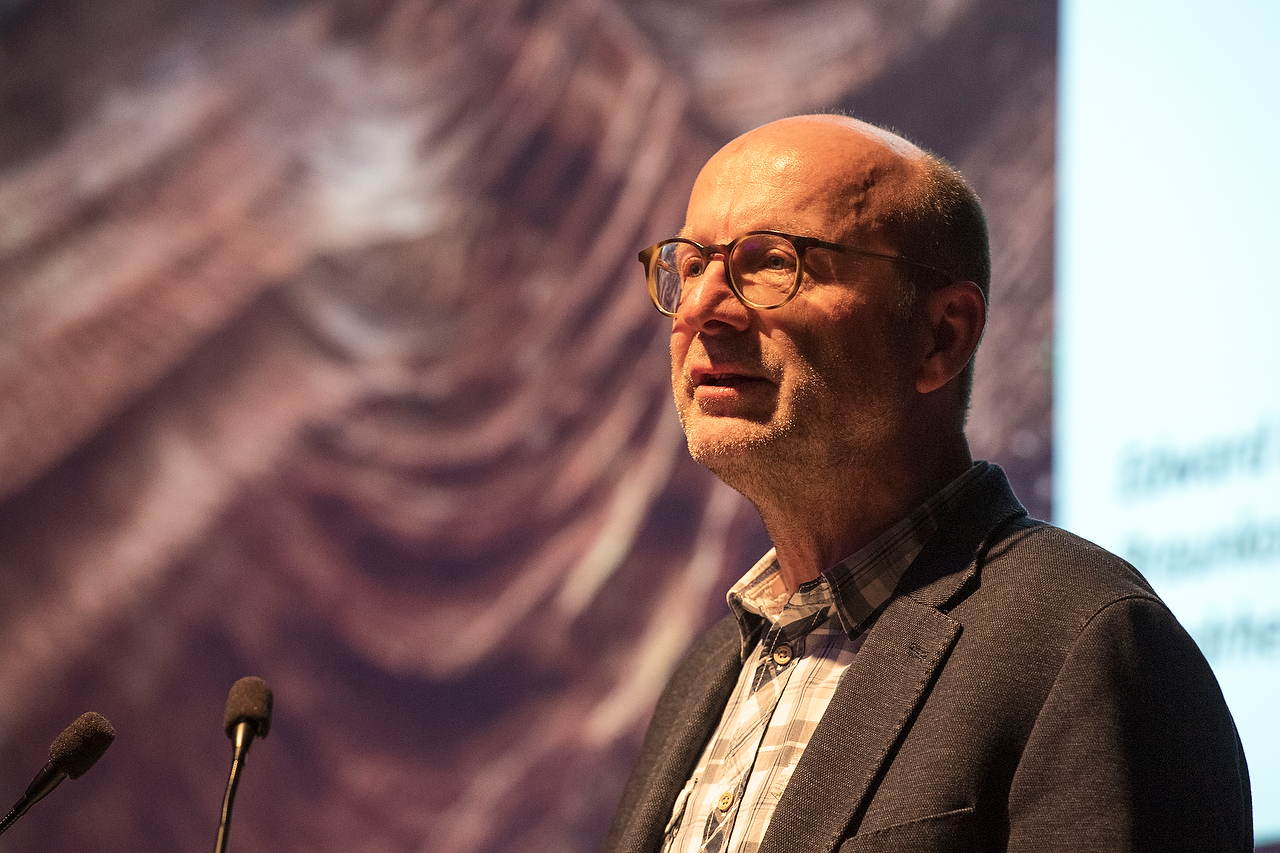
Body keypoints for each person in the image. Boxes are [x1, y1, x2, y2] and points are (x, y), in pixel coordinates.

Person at [602, 114, 1252, 853]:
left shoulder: (1082, 638)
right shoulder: (707, 671)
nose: (698, 309)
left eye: (770, 262)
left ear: (941, 334)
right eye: (690, 265)